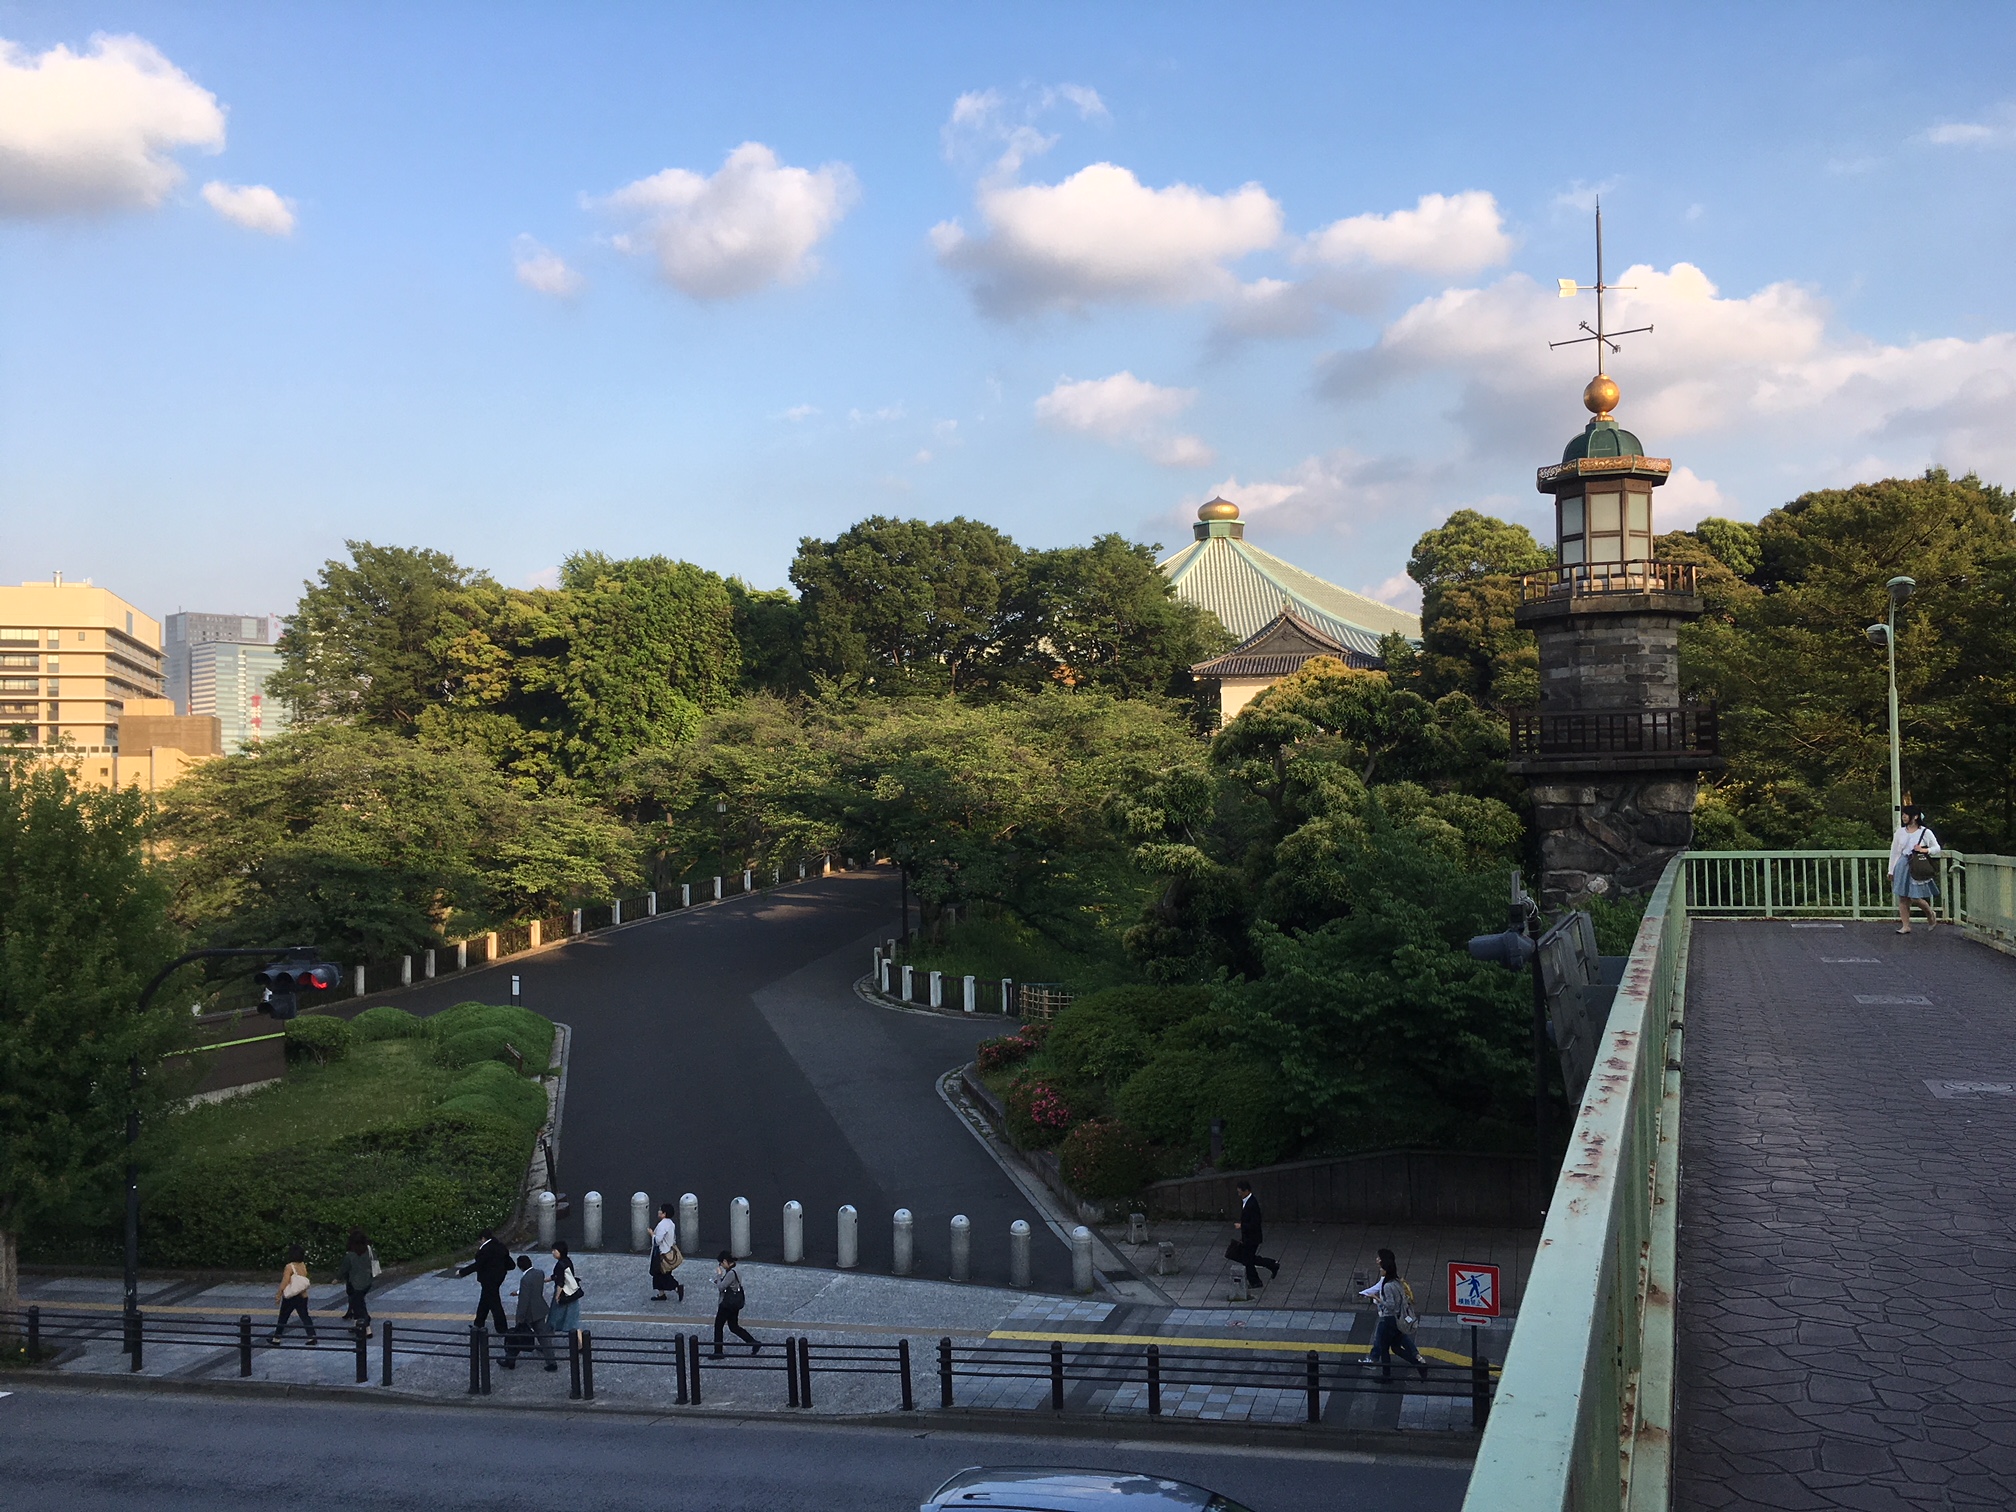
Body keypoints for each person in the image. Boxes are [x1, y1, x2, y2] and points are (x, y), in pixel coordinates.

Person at [1359, 1248, 1429, 1382]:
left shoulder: (1387, 1286)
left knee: (1384, 1348)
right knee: (1396, 1347)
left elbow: (1390, 1305)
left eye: (1382, 1269)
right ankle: (1419, 1365)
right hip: (1398, 1319)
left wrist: (1377, 1298)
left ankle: (1386, 1376)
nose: (1380, 1271)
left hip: (1389, 1320)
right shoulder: (1397, 1282)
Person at [1888, 805, 1942, 935]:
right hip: (1902, 863)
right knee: (1902, 896)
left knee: (1915, 896)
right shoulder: (1900, 832)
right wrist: (1891, 870)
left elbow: (1937, 848)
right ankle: (1905, 925)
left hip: (1916, 864)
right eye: (1903, 814)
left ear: (1916, 816)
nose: (1904, 817)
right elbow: (1894, 852)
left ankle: (1929, 913)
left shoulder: (1925, 832)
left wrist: (1924, 850)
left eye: (1907, 814)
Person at [501, 1254, 558, 1372]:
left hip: (529, 1313)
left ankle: (510, 1360)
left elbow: (524, 1300)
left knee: (516, 1336)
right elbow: (533, 1290)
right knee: (543, 1336)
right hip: (540, 1309)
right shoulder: (539, 1273)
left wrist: (519, 1317)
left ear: (520, 1267)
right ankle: (551, 1361)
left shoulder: (525, 1279)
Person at [457, 1228, 512, 1336]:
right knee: (485, 1300)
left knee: (494, 1303)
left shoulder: (486, 1250)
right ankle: (479, 1323)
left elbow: (478, 1265)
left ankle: (502, 1328)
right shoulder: (500, 1245)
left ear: (483, 1238)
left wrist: (462, 1272)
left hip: (488, 1279)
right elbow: (508, 1261)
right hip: (498, 1277)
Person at [711, 1251, 761, 1358]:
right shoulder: (736, 1270)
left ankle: (718, 1352)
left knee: (718, 1326)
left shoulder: (730, 1273)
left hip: (727, 1304)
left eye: (721, 1263)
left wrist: (719, 1276)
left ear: (725, 1261)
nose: (721, 1266)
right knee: (733, 1326)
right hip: (734, 1303)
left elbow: (721, 1287)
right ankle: (753, 1342)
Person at [1231, 1180, 1280, 1289]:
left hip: (1252, 1237)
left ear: (1246, 1191)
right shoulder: (1247, 1202)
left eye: (1240, 1192)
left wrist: (1242, 1226)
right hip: (1249, 1237)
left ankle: (1256, 1280)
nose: (1239, 1195)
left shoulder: (1252, 1204)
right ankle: (1271, 1265)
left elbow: (1255, 1223)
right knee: (1249, 1258)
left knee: (1247, 1259)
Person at [270, 1244, 317, 1346]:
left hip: (291, 1296)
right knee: (305, 1316)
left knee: (283, 1316)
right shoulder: (303, 1265)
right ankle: (312, 1336)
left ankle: (276, 1338)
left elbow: (285, 1281)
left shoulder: (289, 1266)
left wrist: (279, 1293)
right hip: (302, 1295)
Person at [546, 1240, 585, 1350]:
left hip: (564, 1295)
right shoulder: (567, 1261)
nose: (553, 1253)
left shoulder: (559, 1265)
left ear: (560, 1251)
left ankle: (545, 1341)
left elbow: (560, 1283)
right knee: (573, 1320)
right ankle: (581, 1344)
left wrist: (557, 1296)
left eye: (554, 1250)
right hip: (572, 1294)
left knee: (553, 1318)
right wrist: (547, 1279)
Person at [337, 1228, 375, 1334]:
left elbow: (344, 1269)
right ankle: (356, 1324)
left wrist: (337, 1278)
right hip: (367, 1282)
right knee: (357, 1303)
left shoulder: (350, 1255)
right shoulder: (368, 1251)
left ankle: (367, 1327)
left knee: (359, 1306)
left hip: (354, 1284)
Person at [650, 1202, 686, 1302]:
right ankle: (661, 1294)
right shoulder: (671, 1223)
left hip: (661, 1255)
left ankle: (676, 1287)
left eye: (660, 1210)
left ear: (664, 1213)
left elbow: (657, 1240)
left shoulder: (662, 1225)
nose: (658, 1212)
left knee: (661, 1275)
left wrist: (652, 1234)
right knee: (661, 1274)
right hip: (668, 1253)